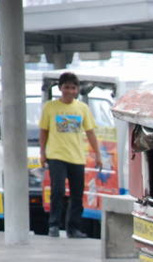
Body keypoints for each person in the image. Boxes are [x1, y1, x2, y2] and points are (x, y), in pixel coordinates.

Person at [39, 71, 102, 238]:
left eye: (73, 88)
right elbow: (43, 132)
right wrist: (43, 153)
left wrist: (98, 155)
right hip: (56, 156)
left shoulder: (82, 108)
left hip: (77, 157)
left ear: (77, 90)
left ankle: (73, 228)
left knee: (77, 194)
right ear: (60, 88)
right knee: (57, 191)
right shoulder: (50, 107)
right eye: (66, 87)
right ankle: (53, 225)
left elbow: (90, 133)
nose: (70, 91)